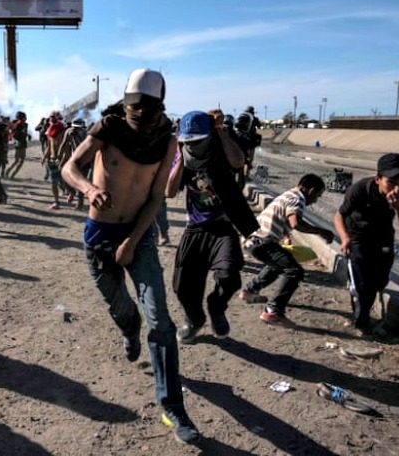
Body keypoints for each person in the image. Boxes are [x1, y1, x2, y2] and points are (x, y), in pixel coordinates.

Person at [61, 69, 200, 445]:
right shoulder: (108, 128)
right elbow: (69, 167)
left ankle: (172, 406)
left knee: (162, 321)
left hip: (138, 236)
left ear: (160, 107)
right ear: (125, 104)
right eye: (133, 106)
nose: (139, 113)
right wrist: (88, 188)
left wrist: (133, 242)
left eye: (148, 107)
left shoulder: (168, 141)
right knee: (122, 310)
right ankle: (128, 330)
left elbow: (156, 196)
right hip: (99, 236)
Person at [166, 110, 258, 343]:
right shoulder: (184, 155)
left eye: (198, 140)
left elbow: (238, 162)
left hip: (223, 226)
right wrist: (179, 154)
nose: (194, 145)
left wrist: (222, 134)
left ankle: (216, 307)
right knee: (182, 286)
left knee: (229, 277)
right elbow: (169, 191)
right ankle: (194, 320)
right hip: (195, 227)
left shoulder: (221, 147)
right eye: (189, 141)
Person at [239, 174, 334, 325]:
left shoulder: (289, 194)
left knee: (277, 265)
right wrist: (321, 231)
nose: (315, 200)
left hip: (252, 240)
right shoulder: (298, 198)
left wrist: (284, 236)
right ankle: (273, 311)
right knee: (294, 271)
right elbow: (295, 223)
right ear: (311, 190)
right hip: (263, 241)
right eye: (317, 195)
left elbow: (284, 220)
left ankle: (250, 291)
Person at [333, 153, 399, 335]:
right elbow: (339, 215)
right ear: (378, 179)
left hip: (383, 237)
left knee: (380, 280)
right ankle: (362, 322)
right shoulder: (359, 190)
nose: (397, 188)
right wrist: (344, 238)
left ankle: (365, 306)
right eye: (391, 182)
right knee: (362, 284)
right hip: (357, 236)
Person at [58, 117, 88, 209]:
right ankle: (71, 191)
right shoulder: (69, 132)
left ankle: (80, 202)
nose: (76, 130)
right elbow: (64, 144)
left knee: (81, 180)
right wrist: (59, 155)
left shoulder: (87, 134)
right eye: (75, 128)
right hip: (73, 158)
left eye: (78, 128)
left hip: (85, 160)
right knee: (63, 174)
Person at [41, 111, 65, 209]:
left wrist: (64, 158)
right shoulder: (49, 130)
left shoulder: (64, 130)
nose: (51, 119)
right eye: (51, 117)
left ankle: (67, 191)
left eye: (54, 117)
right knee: (53, 181)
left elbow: (66, 147)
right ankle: (56, 202)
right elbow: (49, 145)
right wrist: (44, 157)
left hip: (61, 159)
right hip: (51, 159)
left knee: (62, 180)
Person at [5, 111, 28, 179]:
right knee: (17, 160)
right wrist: (17, 139)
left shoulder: (25, 124)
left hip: (23, 144)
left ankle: (12, 175)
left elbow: (24, 133)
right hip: (19, 144)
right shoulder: (16, 125)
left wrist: (27, 135)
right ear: (20, 118)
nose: (25, 118)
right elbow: (13, 134)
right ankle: (8, 172)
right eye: (24, 117)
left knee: (20, 161)